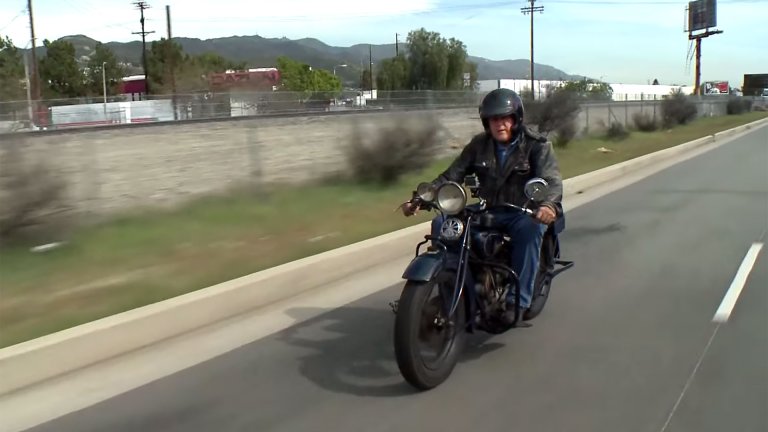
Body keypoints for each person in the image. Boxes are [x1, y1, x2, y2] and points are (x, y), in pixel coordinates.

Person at [401, 87, 563, 325]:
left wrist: (547, 206)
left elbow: (551, 180)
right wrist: (420, 198)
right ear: (486, 122)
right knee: (442, 223)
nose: (500, 124)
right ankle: (452, 287)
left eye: (505, 118)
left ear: (516, 119)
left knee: (531, 229)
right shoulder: (479, 145)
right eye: (493, 119)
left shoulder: (536, 145)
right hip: (489, 209)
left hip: (522, 211)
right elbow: (451, 175)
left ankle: (518, 301)